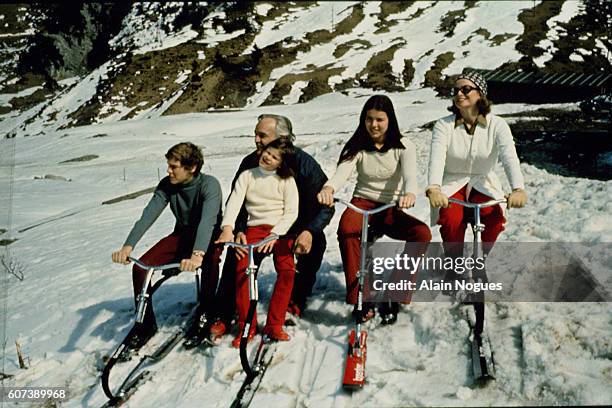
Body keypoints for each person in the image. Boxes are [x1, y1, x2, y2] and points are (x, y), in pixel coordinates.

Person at [210, 114, 334, 338]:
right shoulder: (250, 163)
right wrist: (238, 230)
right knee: (237, 256)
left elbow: (325, 206)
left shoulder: (305, 165)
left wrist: (309, 231)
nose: (256, 140)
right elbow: (236, 202)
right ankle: (225, 312)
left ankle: (295, 299)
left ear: (282, 139)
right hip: (257, 227)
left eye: (262, 136)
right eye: (255, 135)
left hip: (295, 228)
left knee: (314, 247)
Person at [318, 95, 432, 324]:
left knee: (421, 234)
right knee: (348, 229)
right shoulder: (358, 145)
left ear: (390, 120)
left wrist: (409, 194)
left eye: (380, 119)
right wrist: (329, 188)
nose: (374, 125)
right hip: (363, 203)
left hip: (391, 205)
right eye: (369, 119)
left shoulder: (403, 145)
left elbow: (410, 176)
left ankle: (397, 291)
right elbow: (342, 173)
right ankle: (361, 295)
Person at [111, 142, 223, 350]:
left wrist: (198, 254)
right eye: (168, 166)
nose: (168, 171)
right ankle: (145, 323)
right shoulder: (167, 185)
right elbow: (148, 214)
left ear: (192, 167)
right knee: (141, 267)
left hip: (209, 237)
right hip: (182, 235)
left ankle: (206, 312)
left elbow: (208, 221)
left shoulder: (209, 185)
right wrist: (128, 246)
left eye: (174, 166)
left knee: (210, 262)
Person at [426, 71, 527, 275]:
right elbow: (436, 158)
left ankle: (479, 261)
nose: (460, 94)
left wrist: (518, 188)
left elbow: (509, 157)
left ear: (480, 94)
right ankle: (454, 266)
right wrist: (434, 188)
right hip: (453, 181)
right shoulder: (443, 125)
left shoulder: (497, 125)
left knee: (495, 216)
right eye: (456, 90)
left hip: (484, 181)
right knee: (450, 218)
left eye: (466, 89)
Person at [216, 139, 299, 347]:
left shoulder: (287, 181)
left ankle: (274, 324)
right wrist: (228, 227)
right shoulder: (248, 175)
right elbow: (234, 203)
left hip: (279, 231)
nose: (267, 157)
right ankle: (247, 325)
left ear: (281, 163)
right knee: (243, 269)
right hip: (254, 229)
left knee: (287, 270)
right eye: (267, 152)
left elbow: (291, 212)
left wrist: (276, 234)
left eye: (274, 157)